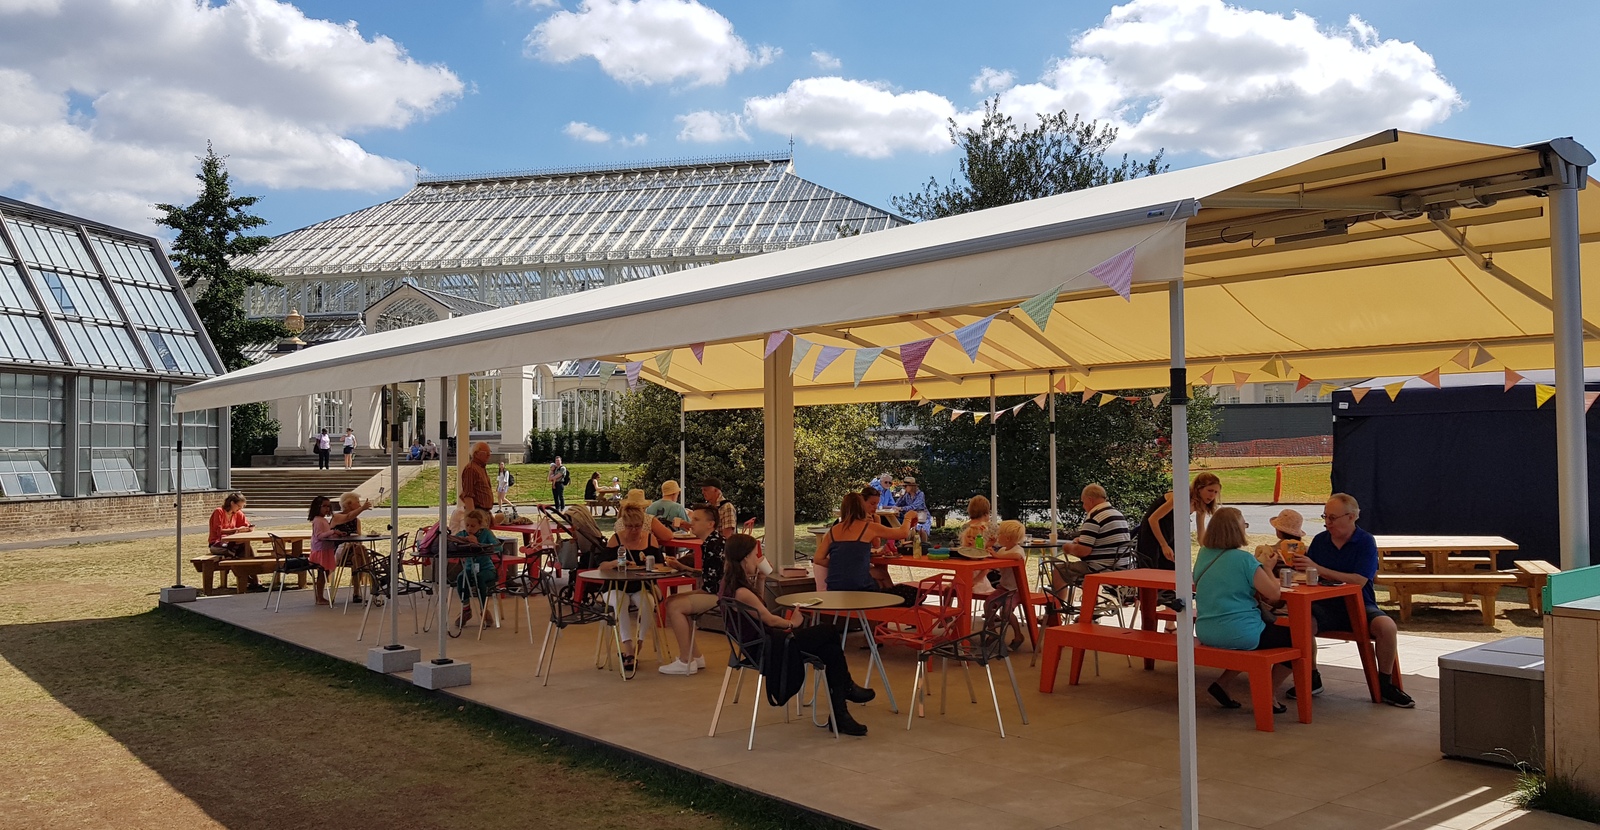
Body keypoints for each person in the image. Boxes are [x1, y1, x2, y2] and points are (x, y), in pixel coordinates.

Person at [720, 534, 875, 736]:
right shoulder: (742, 592)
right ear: (745, 558)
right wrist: (793, 623)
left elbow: (757, 607)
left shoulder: (729, 586)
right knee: (828, 632)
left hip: (757, 646)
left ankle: (841, 710)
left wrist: (761, 577)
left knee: (831, 651)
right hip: (769, 649)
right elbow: (770, 619)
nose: (757, 558)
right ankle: (844, 695)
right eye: (754, 555)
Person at [1299, 493, 1414, 708]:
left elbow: (1359, 580)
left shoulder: (1365, 541)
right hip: (1325, 605)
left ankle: (1385, 684)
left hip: (1360, 604)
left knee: (1387, 627)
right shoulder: (1320, 540)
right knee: (1303, 623)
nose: (1327, 523)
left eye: (1333, 518)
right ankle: (1311, 677)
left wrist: (1319, 569)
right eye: (1325, 517)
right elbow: (1311, 576)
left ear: (1351, 517)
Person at [1193, 507, 1294, 715]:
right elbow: (1274, 593)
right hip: (1241, 632)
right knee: (1295, 639)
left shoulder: (1203, 555)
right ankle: (1269, 694)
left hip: (1206, 629)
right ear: (1236, 531)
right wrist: (1267, 567)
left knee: (1253, 639)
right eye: (1244, 525)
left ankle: (1222, 684)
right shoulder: (1244, 560)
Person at [658, 504, 727, 675]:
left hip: (719, 594)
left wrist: (685, 574)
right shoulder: (712, 542)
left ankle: (685, 660)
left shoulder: (713, 545)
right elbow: (709, 574)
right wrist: (681, 566)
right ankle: (694, 655)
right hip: (716, 590)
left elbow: (713, 584)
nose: (691, 523)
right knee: (672, 601)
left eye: (696, 519)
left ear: (710, 524)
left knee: (675, 606)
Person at [601, 501, 665, 676]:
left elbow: (661, 565)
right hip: (616, 586)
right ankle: (628, 646)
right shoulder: (616, 539)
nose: (634, 530)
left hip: (641, 585)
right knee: (620, 601)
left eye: (637, 526)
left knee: (647, 602)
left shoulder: (650, 539)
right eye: (629, 526)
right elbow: (602, 566)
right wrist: (617, 562)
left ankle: (640, 642)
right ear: (623, 524)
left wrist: (649, 564)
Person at [816, 492, 917, 602]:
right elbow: (902, 533)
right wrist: (908, 517)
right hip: (860, 588)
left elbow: (818, 559)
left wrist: (842, 564)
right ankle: (891, 604)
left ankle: (887, 604)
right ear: (862, 507)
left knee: (881, 574)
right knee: (915, 594)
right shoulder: (869, 527)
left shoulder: (832, 531)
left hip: (835, 588)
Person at [1050, 484, 1133, 604]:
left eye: (1083, 502)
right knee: (1082, 569)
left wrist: (1068, 548)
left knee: (1059, 570)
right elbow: (1107, 540)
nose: (1083, 507)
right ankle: (1091, 611)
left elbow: (1083, 551)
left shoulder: (1094, 517)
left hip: (1102, 568)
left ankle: (1057, 611)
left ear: (1090, 500)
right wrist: (1082, 541)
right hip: (1120, 566)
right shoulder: (1117, 514)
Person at [1137, 472, 1222, 571]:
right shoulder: (1179, 497)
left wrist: (1208, 552)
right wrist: (1163, 545)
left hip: (1170, 535)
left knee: (1172, 568)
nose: (1212, 495)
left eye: (1216, 492)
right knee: (1151, 569)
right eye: (1210, 490)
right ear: (1199, 488)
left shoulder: (1201, 505)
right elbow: (1152, 519)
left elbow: (1201, 533)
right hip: (1153, 533)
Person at [453, 509, 499, 627]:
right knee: (461, 578)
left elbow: (498, 548)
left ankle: (484, 609)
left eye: (473, 526)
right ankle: (466, 608)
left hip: (486, 569)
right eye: (467, 525)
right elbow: (453, 541)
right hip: (469, 568)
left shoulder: (486, 533)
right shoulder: (463, 534)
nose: (469, 528)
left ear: (480, 525)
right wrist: (462, 541)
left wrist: (478, 544)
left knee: (479, 579)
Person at [207, 492, 262, 592]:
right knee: (234, 553)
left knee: (247, 548)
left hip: (232, 543)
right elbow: (219, 531)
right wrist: (236, 530)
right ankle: (247, 578)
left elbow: (246, 524)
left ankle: (255, 580)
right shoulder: (219, 512)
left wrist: (249, 528)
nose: (240, 509)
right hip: (217, 543)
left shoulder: (237, 513)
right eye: (239, 506)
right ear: (232, 503)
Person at [459, 441, 495, 515]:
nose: (489, 455)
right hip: (478, 512)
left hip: (485, 511)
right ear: (476, 453)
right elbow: (468, 494)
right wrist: (473, 516)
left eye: (489, 452)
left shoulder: (481, 468)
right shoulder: (471, 469)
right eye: (485, 452)